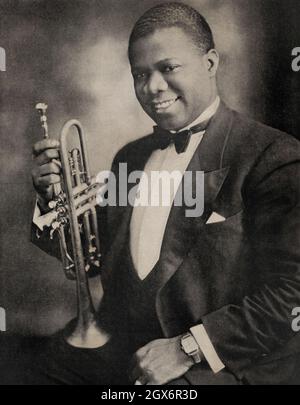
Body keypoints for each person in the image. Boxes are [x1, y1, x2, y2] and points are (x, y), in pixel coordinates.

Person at [29, 2, 300, 385]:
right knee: (41, 368)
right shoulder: (131, 157)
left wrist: (187, 348)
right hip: (128, 347)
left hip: (223, 362)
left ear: (209, 63)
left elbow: (292, 294)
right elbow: (89, 259)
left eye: (168, 68)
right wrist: (50, 199)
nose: (152, 87)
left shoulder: (273, 156)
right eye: (140, 74)